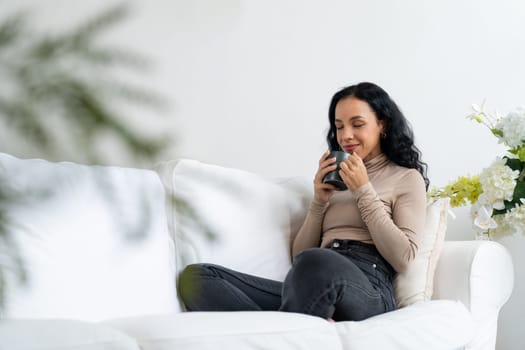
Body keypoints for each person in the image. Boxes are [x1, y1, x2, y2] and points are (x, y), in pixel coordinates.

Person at [178, 82, 428, 322]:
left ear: (382, 124)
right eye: (339, 126)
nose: (346, 135)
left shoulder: (405, 177)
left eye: (357, 124)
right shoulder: (336, 178)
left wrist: (363, 190)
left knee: (316, 261)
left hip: (368, 287)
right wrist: (319, 201)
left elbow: (404, 258)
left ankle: (293, 322)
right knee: (199, 278)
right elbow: (299, 256)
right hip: (312, 281)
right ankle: (306, 321)